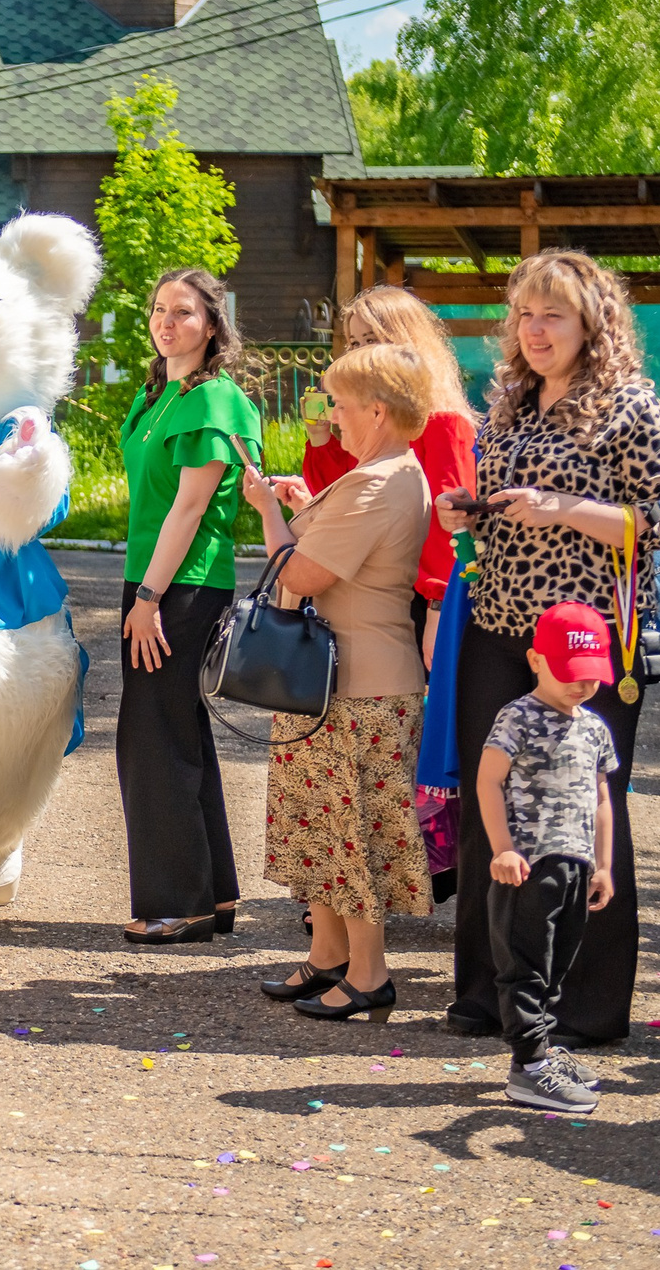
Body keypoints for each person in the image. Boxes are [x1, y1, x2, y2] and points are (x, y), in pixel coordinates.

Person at [438, 250, 660, 1047]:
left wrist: (566, 509)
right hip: (498, 626)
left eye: (553, 315)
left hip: (586, 643)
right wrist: (463, 514)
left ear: (592, 325)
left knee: (583, 816)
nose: (534, 329)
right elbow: (503, 503)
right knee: (491, 810)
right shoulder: (509, 401)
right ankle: (489, 996)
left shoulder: (628, 404)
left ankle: (587, 1006)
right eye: (524, 314)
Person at [241, 344, 435, 1022]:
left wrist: (269, 511)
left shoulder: (377, 482)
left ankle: (368, 970)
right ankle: (328, 955)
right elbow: (312, 550)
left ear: (377, 410)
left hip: (357, 685)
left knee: (350, 828)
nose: (333, 416)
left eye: (342, 405)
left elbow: (300, 574)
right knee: (320, 826)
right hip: (334, 682)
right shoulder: (378, 473)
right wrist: (286, 507)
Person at [116, 268, 261, 945]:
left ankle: (181, 902)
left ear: (212, 325)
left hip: (183, 586)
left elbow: (192, 506)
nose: (165, 322)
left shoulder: (217, 400)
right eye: (157, 308)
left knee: (155, 740)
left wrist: (150, 597)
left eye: (182, 311)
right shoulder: (157, 394)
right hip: (150, 581)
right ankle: (213, 895)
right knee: (178, 732)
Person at [479, 601, 621, 1116]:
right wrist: (502, 848)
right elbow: (488, 780)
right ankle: (530, 1067)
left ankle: (542, 1049)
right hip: (528, 865)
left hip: (575, 865)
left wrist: (603, 865)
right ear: (536, 659)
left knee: (555, 966)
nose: (581, 687)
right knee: (525, 967)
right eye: (569, 675)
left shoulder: (594, 728)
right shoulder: (517, 716)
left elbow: (603, 799)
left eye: (590, 677)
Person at [301, 284, 478, 656]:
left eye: (373, 338)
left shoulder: (443, 423)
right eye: (353, 342)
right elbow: (338, 500)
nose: (363, 351)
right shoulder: (368, 421)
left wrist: (438, 607)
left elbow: (448, 527)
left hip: (419, 600)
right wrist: (320, 439)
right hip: (372, 596)